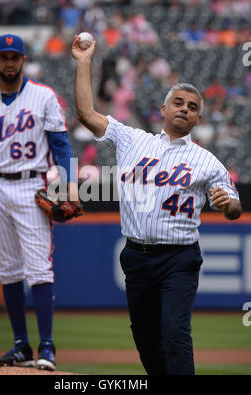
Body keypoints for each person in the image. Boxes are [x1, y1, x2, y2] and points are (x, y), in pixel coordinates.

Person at [72, 36, 242, 375]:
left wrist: (229, 204)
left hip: (179, 258)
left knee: (176, 335)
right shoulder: (132, 138)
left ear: (197, 120)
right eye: (178, 102)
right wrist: (84, 61)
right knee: (146, 340)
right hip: (136, 256)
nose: (184, 108)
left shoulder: (207, 161)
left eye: (193, 107)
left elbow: (234, 206)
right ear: (163, 109)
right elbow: (86, 113)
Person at [0, 34, 78, 371]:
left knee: (38, 269)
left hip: (32, 184)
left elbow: (61, 144)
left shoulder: (42, 95)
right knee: (9, 270)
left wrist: (69, 183)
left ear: (24, 60)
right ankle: (20, 345)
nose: (10, 62)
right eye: (4, 57)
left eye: (15, 57)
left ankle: (46, 346)